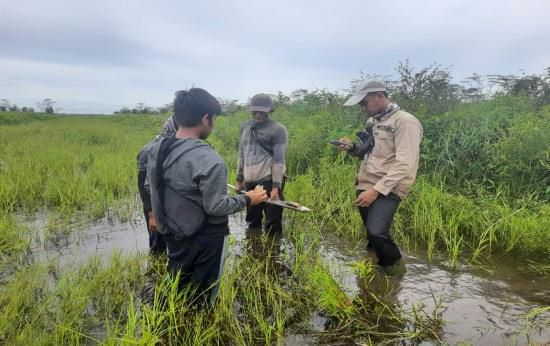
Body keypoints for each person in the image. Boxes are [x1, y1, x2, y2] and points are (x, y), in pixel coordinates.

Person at [147, 88, 268, 303]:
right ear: (206, 119)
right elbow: (215, 206)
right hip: (207, 237)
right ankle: (199, 327)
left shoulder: (157, 149)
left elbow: (152, 187)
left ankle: (170, 325)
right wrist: (249, 198)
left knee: (176, 285)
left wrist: (157, 219)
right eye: (214, 119)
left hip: (174, 231)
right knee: (203, 296)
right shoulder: (209, 160)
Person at [338, 81, 423, 276]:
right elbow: (367, 152)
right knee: (371, 234)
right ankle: (373, 274)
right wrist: (352, 148)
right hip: (366, 182)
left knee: (377, 231)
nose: (363, 108)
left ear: (379, 96)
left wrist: (375, 191)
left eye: (365, 102)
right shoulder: (373, 122)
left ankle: (396, 276)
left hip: (389, 186)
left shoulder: (405, 122)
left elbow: (405, 163)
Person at [235, 94, 288, 233]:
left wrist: (276, 188)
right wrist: (239, 179)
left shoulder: (278, 130)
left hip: (269, 181)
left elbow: (278, 160)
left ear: (269, 111)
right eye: (255, 111)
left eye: (262, 111)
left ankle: (273, 251)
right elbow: (241, 154)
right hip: (250, 182)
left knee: (273, 221)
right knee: (252, 220)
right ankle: (254, 248)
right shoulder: (245, 127)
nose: (258, 114)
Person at [136, 115, 178, 254]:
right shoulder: (149, 151)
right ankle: (156, 272)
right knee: (157, 247)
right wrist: (152, 215)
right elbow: (143, 187)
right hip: (155, 206)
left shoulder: (178, 148)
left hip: (172, 204)